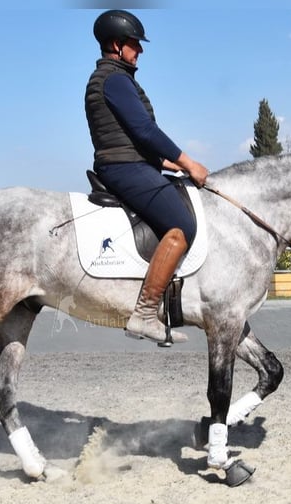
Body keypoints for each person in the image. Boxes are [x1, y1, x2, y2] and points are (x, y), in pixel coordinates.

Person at [84, 9, 209, 344]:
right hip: (124, 168)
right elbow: (144, 130)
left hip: (127, 163)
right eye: (134, 44)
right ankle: (144, 313)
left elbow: (127, 137)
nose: (140, 50)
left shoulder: (114, 78)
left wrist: (168, 166)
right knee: (183, 226)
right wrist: (189, 162)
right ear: (115, 44)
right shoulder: (115, 79)